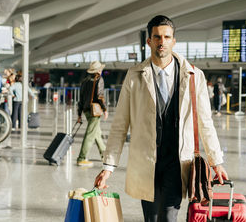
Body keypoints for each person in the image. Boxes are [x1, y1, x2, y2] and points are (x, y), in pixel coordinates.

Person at [94, 15, 228, 222]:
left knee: (168, 217)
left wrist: (216, 161)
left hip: (178, 161)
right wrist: (108, 167)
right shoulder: (134, 76)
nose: (162, 41)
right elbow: (120, 124)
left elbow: (205, 122)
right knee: (151, 218)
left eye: (167, 37)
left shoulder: (193, 76)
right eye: (157, 37)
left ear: (174, 41)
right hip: (146, 162)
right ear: (149, 41)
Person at [76, 61, 108, 167]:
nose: (101, 70)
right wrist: (105, 109)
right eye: (100, 69)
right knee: (90, 134)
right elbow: (99, 96)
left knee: (96, 133)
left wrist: (79, 114)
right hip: (95, 111)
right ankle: (81, 158)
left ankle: (105, 155)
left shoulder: (84, 81)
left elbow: (80, 99)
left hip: (86, 110)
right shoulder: (99, 79)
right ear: (98, 70)